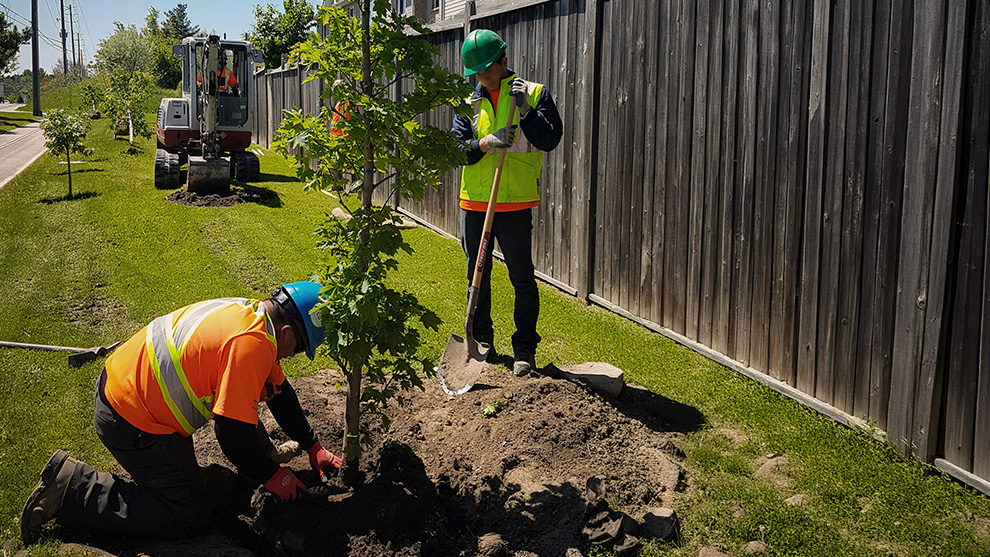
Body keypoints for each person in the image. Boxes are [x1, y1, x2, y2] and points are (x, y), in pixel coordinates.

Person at [21, 282, 342, 544]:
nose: (295, 355)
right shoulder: (252, 345)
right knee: (188, 514)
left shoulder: (254, 316)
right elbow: (230, 431)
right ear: (286, 333)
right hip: (130, 419)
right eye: (300, 348)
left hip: (126, 386)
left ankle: (257, 465)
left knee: (241, 402)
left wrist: (313, 446)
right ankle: (72, 489)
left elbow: (280, 394)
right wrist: (273, 477)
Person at [451, 29, 563, 376]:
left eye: (487, 70)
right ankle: (482, 338)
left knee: (522, 278)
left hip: (514, 203)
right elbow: (458, 150)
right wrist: (485, 142)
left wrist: (527, 112)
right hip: (475, 203)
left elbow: (550, 139)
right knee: (477, 275)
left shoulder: (534, 94)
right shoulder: (467, 100)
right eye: (477, 73)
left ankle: (524, 349)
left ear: (504, 60)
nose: (482, 78)